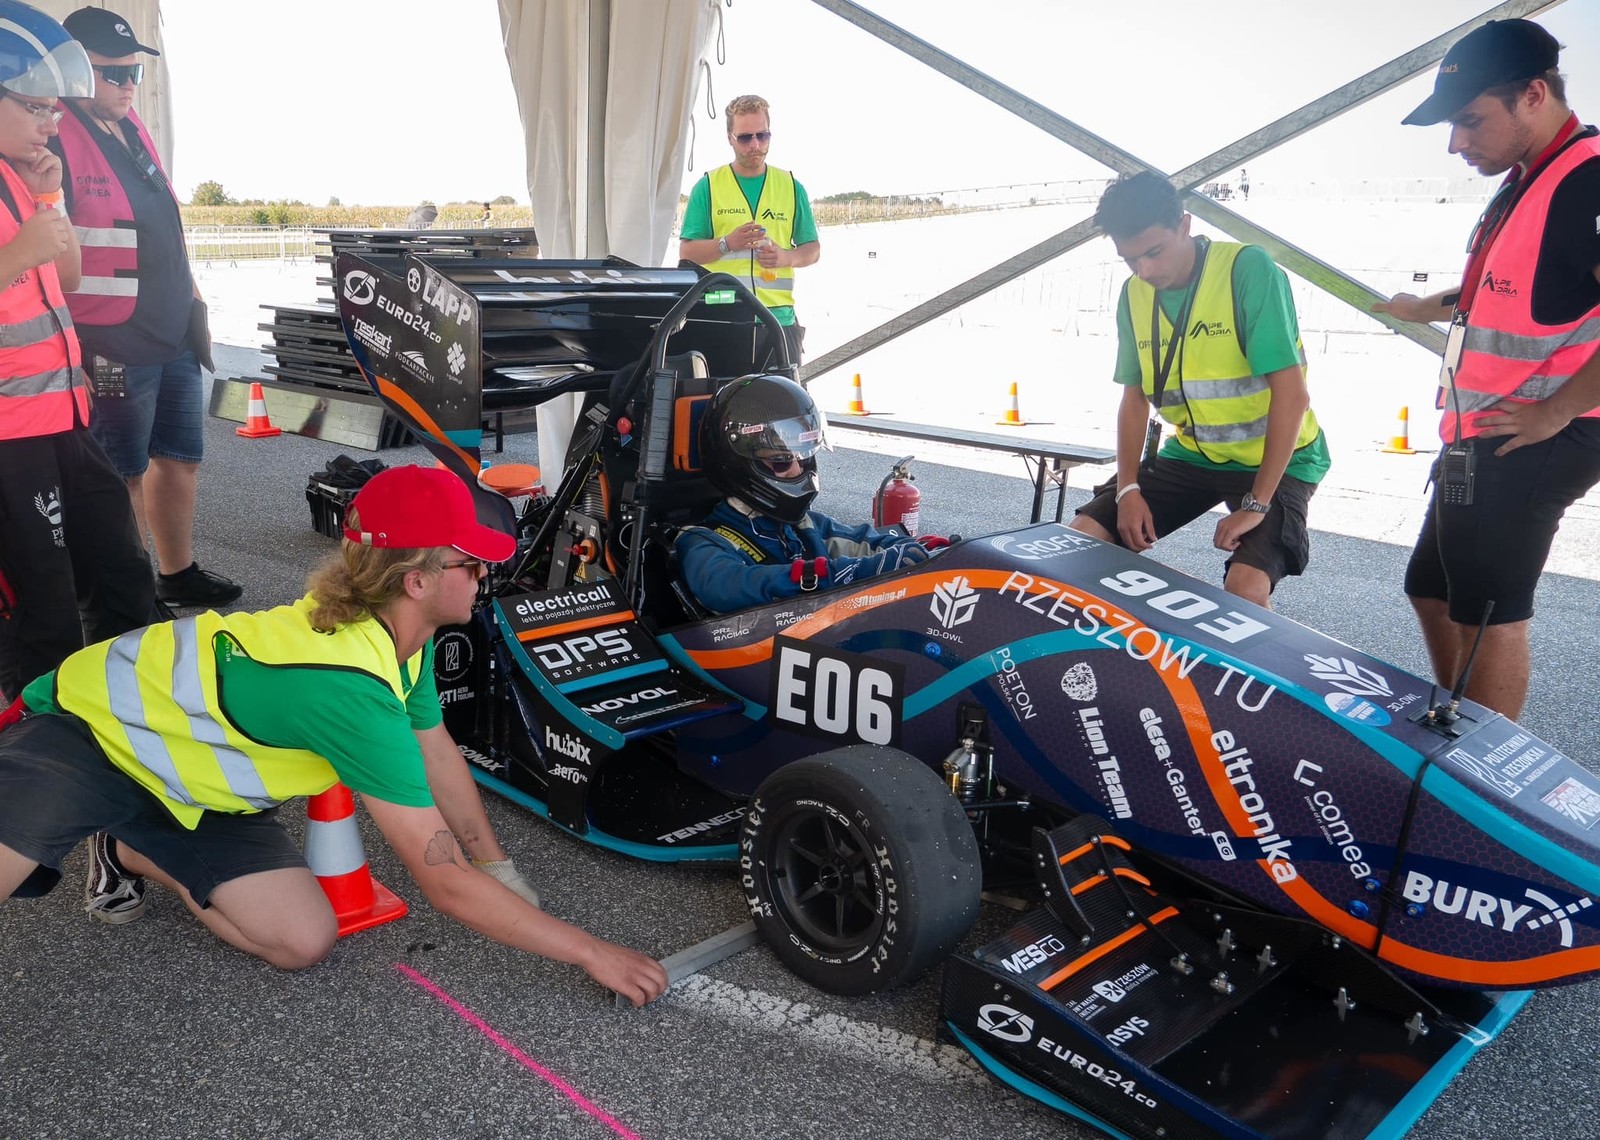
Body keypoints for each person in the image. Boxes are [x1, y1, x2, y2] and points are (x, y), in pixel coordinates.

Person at [0, 464, 669, 1006]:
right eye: (470, 563)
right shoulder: (349, 691)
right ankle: (108, 826)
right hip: (87, 735)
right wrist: (590, 951)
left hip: (189, 786)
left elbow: (436, 751)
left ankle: (126, 848)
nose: (486, 574)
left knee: (302, 940)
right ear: (418, 580)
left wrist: (496, 867)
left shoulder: (402, 638)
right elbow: (443, 884)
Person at [1373, 19, 1600, 719]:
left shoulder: (1588, 179)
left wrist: (1556, 410)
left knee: (1487, 615)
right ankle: (1459, 723)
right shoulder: (1532, 175)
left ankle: (1484, 764)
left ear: (1533, 94)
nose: (1456, 143)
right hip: (1482, 427)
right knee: (1432, 588)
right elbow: (1522, 286)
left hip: (1536, 430)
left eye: (1470, 121)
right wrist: (1427, 305)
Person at [52, 7, 241, 610]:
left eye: (133, 71)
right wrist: (68, 349)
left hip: (173, 331)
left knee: (180, 459)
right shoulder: (52, 137)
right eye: (112, 73)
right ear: (73, 70)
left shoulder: (130, 125)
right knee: (121, 475)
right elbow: (44, 254)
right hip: (110, 341)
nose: (128, 83)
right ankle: (127, 596)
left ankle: (175, 574)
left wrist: (192, 296)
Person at [1069, 172, 1330, 608]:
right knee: (1081, 542)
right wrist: (1127, 490)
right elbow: (1133, 399)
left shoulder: (1247, 269)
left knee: (1245, 589)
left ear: (1185, 225)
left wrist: (1257, 504)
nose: (1144, 271)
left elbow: (1293, 396)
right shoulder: (1134, 293)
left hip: (1278, 461)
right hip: (1193, 453)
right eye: (1130, 259)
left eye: (1154, 252)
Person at [0, 1, 156, 701]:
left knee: (122, 571)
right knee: (44, 605)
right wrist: (17, 252)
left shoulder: (22, 174)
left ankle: (129, 705)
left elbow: (66, 279)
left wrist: (48, 201)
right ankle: (39, 739)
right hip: (11, 436)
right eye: (36, 107)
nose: (51, 122)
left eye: (54, 109)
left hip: (63, 414)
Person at [676, 374, 932, 614]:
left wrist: (929, 553)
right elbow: (725, 587)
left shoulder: (804, 525)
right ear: (738, 462)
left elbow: (872, 544)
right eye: (781, 461)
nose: (798, 470)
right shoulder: (703, 539)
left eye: (803, 457)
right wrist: (839, 573)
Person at [679, 95, 821, 371]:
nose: (755, 145)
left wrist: (787, 257)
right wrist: (727, 243)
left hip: (779, 322)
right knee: (719, 399)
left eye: (762, 135)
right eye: (745, 138)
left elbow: (812, 249)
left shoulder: (791, 186)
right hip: (724, 321)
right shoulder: (708, 186)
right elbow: (687, 253)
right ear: (730, 138)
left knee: (782, 398)